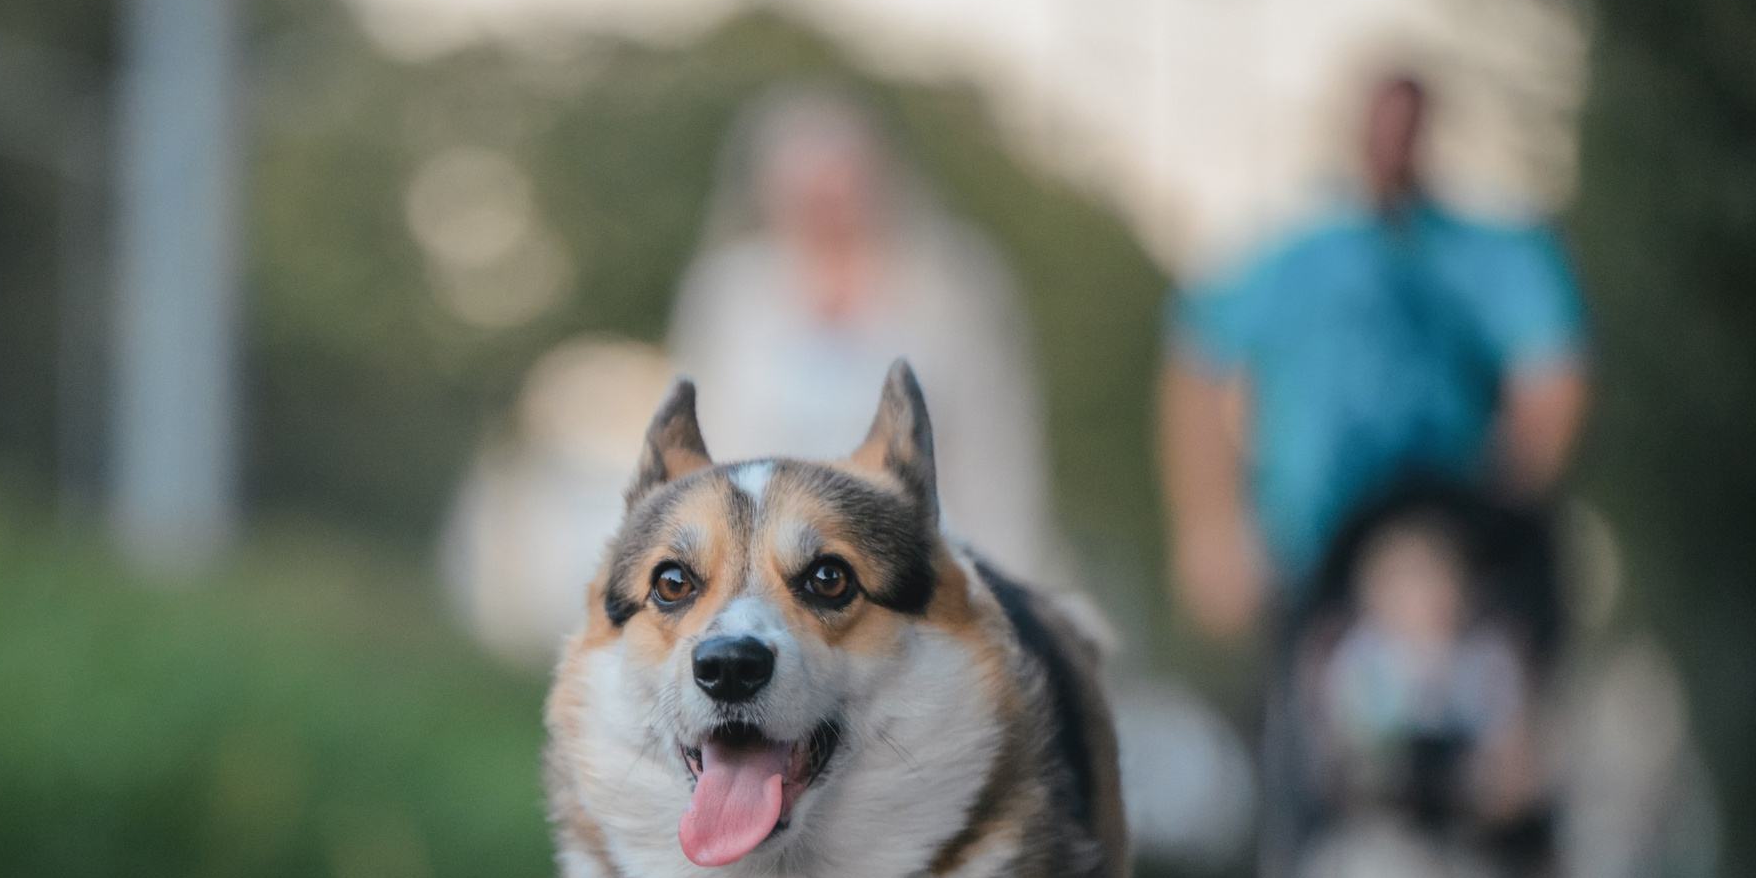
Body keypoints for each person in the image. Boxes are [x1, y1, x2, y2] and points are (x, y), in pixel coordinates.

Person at [1158, 72, 1590, 640]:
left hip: (1455, 536)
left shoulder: (1494, 253)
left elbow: (1552, 373)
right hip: (1314, 550)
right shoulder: (1293, 259)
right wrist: (1210, 531)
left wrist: (1509, 487)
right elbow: (1197, 361)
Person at [670, 90, 1062, 583]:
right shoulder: (729, 294)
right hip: (768, 571)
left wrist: (1006, 577)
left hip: (925, 567)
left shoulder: (951, 288)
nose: (828, 205)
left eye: (840, 183)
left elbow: (997, 456)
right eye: (809, 189)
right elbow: (707, 447)